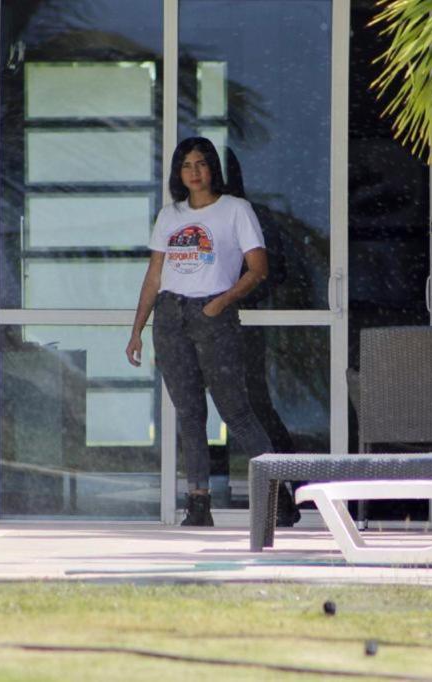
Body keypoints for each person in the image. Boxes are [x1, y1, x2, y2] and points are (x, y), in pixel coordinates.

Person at [126, 137, 274, 526]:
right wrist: (137, 329)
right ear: (178, 172)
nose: (194, 171)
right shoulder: (170, 216)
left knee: (236, 411)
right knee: (189, 414)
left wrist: (219, 303)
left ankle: (280, 493)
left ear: (213, 170)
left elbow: (258, 268)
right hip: (171, 316)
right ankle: (198, 503)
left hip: (212, 315)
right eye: (186, 165)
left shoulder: (235, 210)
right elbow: (154, 275)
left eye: (201, 164)